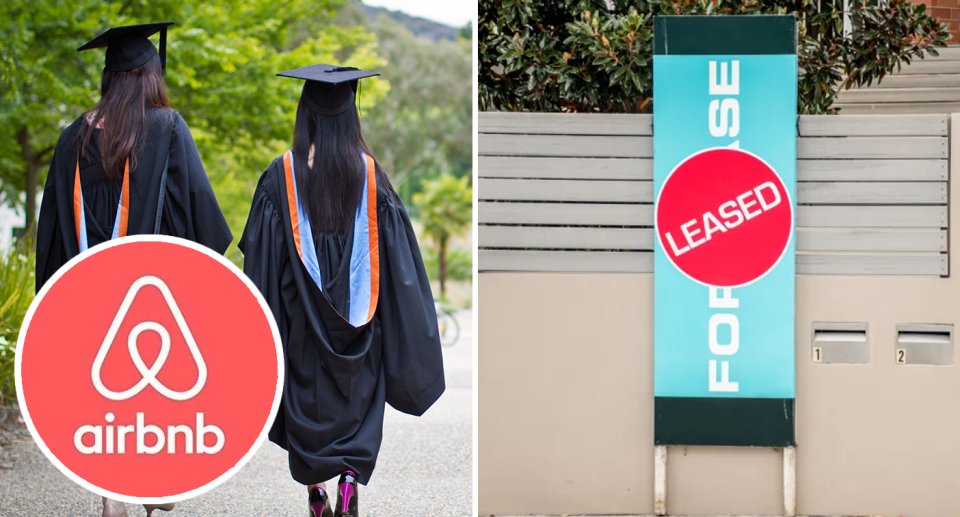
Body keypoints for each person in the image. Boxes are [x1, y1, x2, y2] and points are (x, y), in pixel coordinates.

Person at [34, 22, 232, 517]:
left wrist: (54, 292)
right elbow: (198, 210)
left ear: (109, 77)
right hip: (152, 289)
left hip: (85, 290)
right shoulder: (166, 128)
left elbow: (52, 224)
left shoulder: (70, 138)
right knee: (152, 383)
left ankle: (111, 496)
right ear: (151, 75)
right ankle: (153, 481)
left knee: (105, 388)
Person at [239, 64, 446, 517]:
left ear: (305, 115)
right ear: (351, 117)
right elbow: (399, 264)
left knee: (305, 408)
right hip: (362, 331)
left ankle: (316, 492)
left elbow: (261, 261)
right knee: (358, 405)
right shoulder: (372, 176)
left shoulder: (281, 176)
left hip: (301, 330)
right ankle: (350, 480)